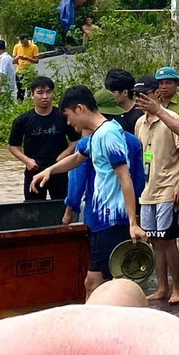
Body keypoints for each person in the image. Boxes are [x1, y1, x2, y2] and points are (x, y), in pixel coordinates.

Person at [32, 88, 145, 295]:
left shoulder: (108, 135)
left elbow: (125, 178)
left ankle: (103, 325)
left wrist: (133, 223)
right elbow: (77, 158)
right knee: (95, 283)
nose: (68, 123)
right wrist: (49, 171)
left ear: (79, 108)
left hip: (113, 222)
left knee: (104, 286)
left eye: (68, 116)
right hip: (102, 222)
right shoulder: (98, 135)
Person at [134, 78, 179, 306]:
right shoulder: (139, 123)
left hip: (169, 187)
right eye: (137, 95)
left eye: (145, 94)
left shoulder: (172, 118)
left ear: (156, 93)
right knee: (155, 241)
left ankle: (177, 287)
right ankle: (162, 287)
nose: (141, 99)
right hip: (149, 189)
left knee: (169, 241)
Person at [8, 77, 72, 205]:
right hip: (34, 171)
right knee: (33, 212)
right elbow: (13, 146)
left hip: (59, 170)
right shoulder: (23, 120)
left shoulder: (63, 117)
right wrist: (27, 161)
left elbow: (76, 141)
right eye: (40, 92)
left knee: (61, 208)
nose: (45, 96)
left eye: (48, 92)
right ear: (32, 95)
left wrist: (62, 157)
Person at [105, 69, 143, 135]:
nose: (110, 95)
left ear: (125, 92)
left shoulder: (139, 114)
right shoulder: (110, 114)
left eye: (112, 92)